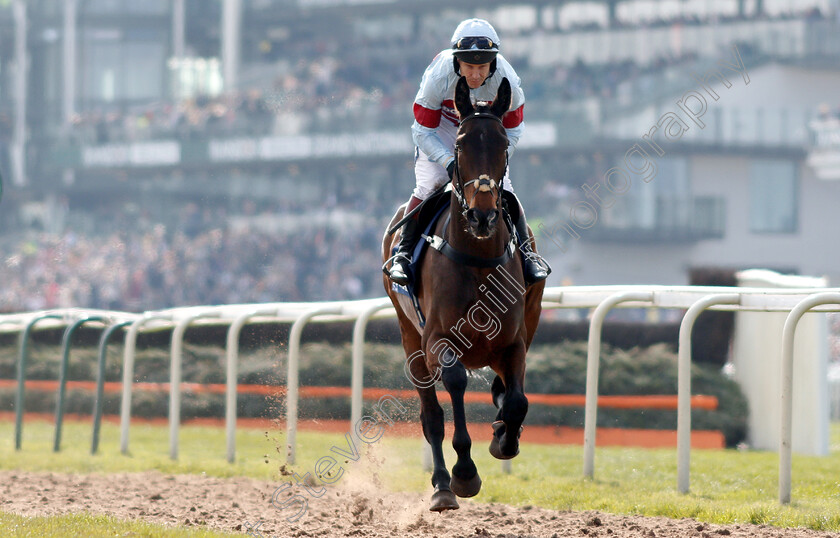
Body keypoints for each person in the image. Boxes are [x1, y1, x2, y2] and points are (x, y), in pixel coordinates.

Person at [386, 18, 549, 285]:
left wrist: (497, 160)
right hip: (440, 132)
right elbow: (421, 131)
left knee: (504, 187)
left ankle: (527, 254)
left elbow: (515, 131)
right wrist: (449, 162)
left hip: (484, 140)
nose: (475, 75)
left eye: (482, 67)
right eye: (469, 66)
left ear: (493, 63)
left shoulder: (507, 81)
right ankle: (403, 254)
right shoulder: (439, 76)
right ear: (456, 61)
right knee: (429, 185)